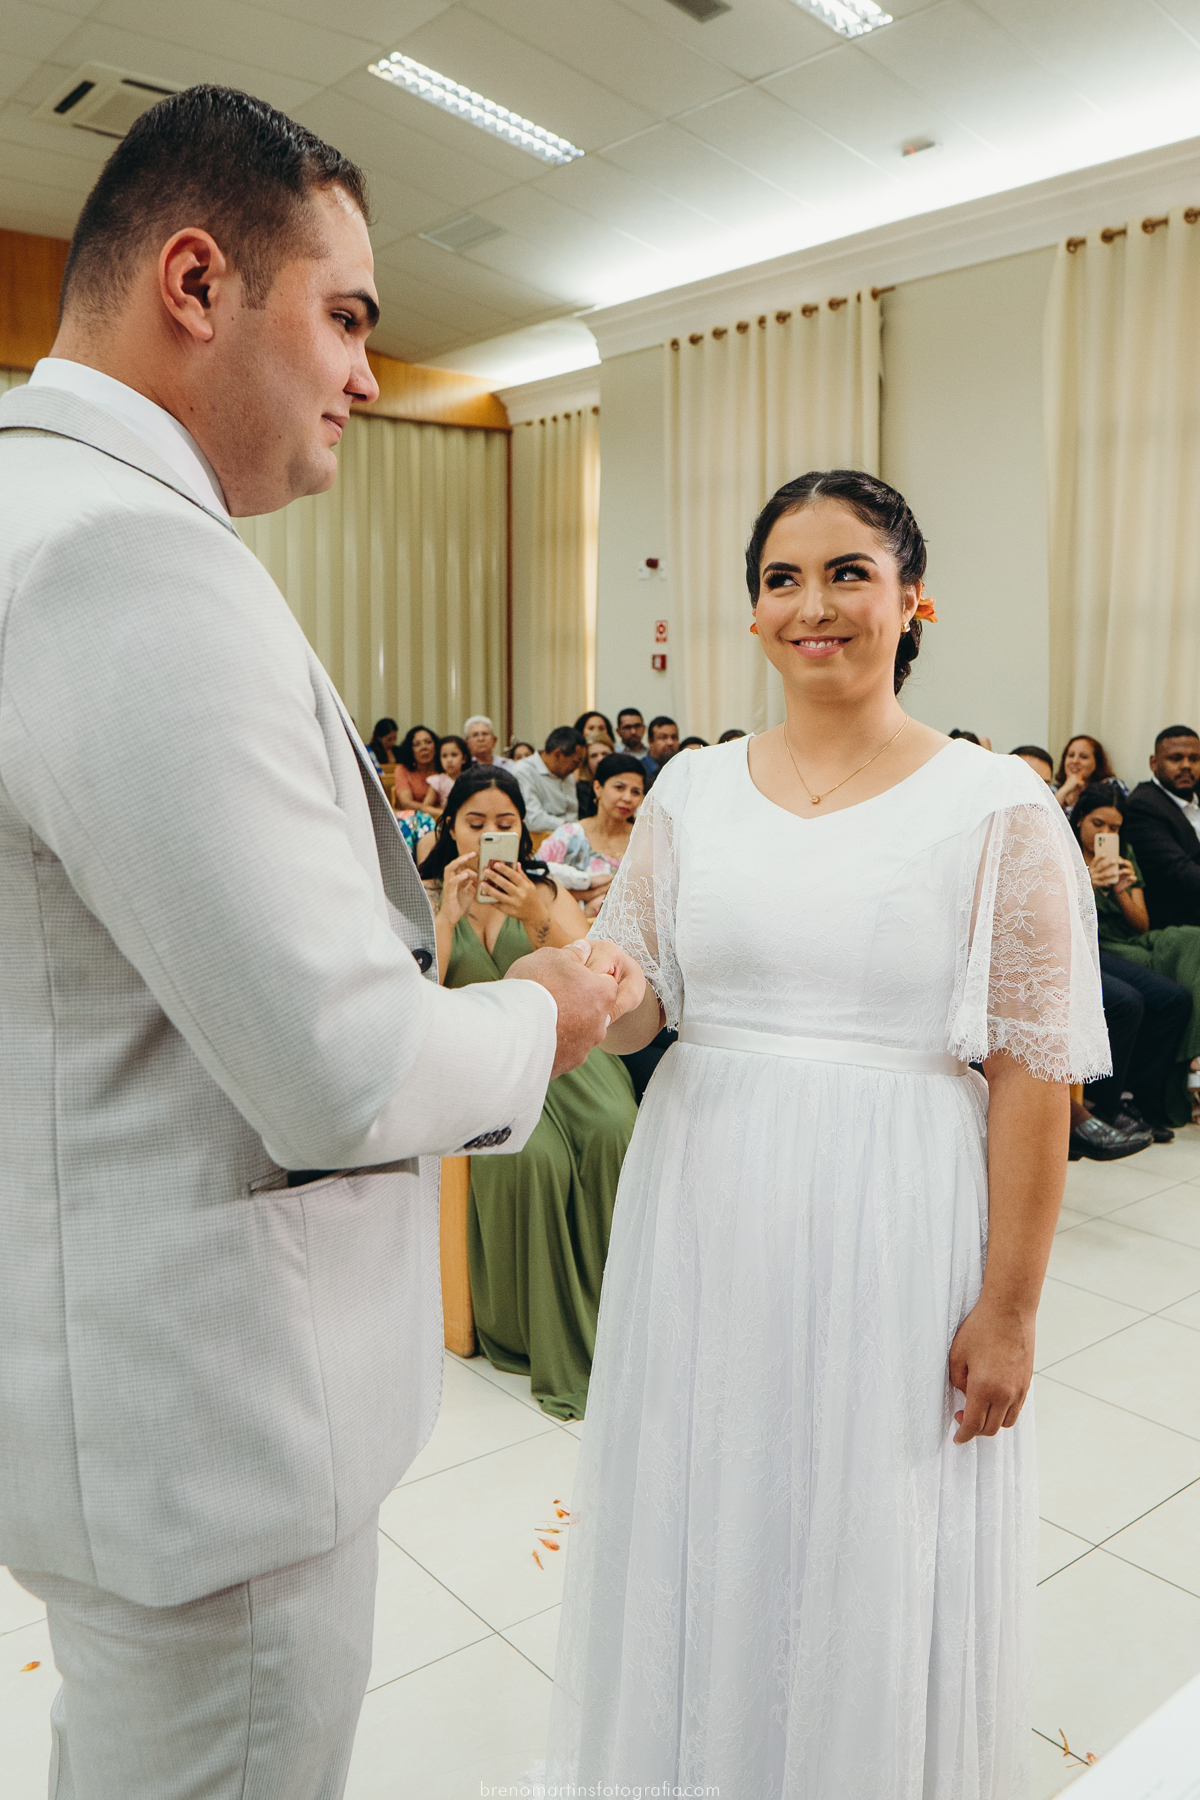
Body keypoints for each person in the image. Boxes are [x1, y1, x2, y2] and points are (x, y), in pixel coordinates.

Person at [0, 85, 643, 1800]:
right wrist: (546, 1010)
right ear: (197, 283)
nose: (366, 374)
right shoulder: (125, 560)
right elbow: (341, 1072)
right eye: (347, 317)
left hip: (118, 1381)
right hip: (215, 1433)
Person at [548, 468, 1107, 1797]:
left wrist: (1011, 1310)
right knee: (710, 1491)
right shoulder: (690, 791)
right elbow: (645, 1006)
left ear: (914, 601)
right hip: (706, 1186)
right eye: (783, 579)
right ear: (752, 614)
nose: (815, 605)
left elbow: (1034, 1077)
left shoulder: (996, 806)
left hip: (895, 1202)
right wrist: (590, 982)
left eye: (850, 572)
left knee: (865, 1511)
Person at [422, 767, 639, 1418]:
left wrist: (537, 918)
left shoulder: (543, 892)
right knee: (535, 1158)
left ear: (524, 830)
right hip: (487, 1062)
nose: (490, 834)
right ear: (450, 827)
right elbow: (419, 996)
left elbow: (597, 977)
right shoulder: (426, 894)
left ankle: (624, 1317)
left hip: (566, 1055)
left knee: (615, 1128)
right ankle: (532, 1325)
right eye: (475, 823)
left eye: (505, 823)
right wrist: (447, 917)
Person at [1074, 782, 1198, 1131]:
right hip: (1087, 943)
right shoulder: (1064, 850)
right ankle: (1107, 1105)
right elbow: (1059, 919)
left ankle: (1144, 1098)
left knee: (1177, 991)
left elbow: (1140, 924)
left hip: (1127, 940)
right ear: (1080, 818)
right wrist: (1086, 882)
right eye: (1098, 824)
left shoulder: (1124, 853)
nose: (1106, 834)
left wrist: (1120, 889)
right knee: (1135, 999)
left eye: (1114, 827)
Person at [544, 752, 645, 916]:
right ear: (598, 788)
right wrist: (587, 894)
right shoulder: (569, 836)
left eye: (636, 792)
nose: (628, 798)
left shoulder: (643, 841)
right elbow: (536, 882)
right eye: (619, 788)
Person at [1123, 726, 1200, 928]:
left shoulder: (1195, 794)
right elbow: (1179, 872)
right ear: (1154, 763)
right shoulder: (1142, 805)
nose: (1186, 765)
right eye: (1176, 758)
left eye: (1194, 759)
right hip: (1180, 920)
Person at [515, 726, 587, 832]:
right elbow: (534, 820)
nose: (579, 767)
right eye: (576, 762)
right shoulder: (524, 771)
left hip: (569, 835)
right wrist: (572, 827)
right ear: (557, 754)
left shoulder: (568, 774)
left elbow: (572, 813)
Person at [1053, 733, 1116, 813]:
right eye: (1071, 755)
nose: (1075, 761)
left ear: (1097, 762)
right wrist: (1065, 789)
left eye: (1083, 757)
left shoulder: (1111, 785)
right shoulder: (1053, 790)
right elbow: (1044, 815)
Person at [391, 723, 443, 814]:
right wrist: (434, 811)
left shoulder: (445, 768)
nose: (424, 747)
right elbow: (406, 803)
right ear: (410, 750)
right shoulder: (403, 770)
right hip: (416, 817)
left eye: (428, 742)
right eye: (417, 744)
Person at [575, 733, 614, 821]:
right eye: (594, 756)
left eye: (605, 754)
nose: (600, 759)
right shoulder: (581, 788)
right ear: (586, 762)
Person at [642, 715, 679, 780]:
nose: (670, 742)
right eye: (663, 737)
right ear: (650, 741)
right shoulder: (640, 769)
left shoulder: (682, 767)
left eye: (674, 737)